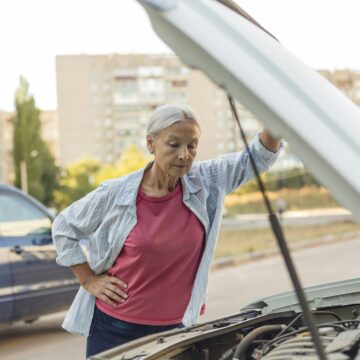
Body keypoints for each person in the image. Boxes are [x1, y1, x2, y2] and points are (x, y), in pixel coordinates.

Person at [52, 103, 282, 358]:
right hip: (116, 329)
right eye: (174, 145)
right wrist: (88, 279)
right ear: (151, 144)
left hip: (177, 330)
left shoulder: (206, 182)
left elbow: (257, 158)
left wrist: (277, 115)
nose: (184, 154)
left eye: (192, 145)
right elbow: (64, 228)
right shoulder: (117, 193)